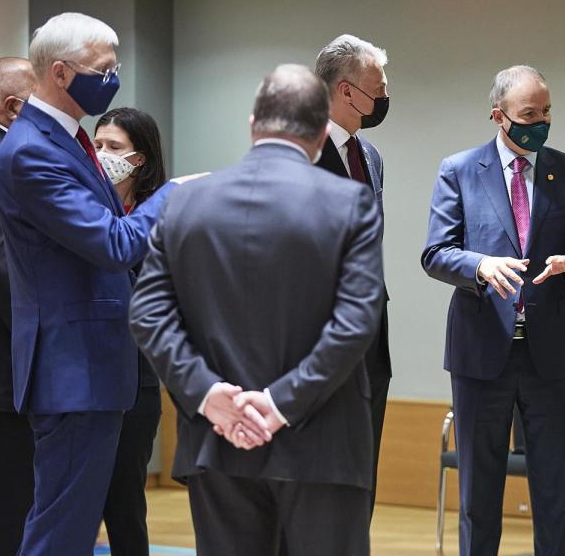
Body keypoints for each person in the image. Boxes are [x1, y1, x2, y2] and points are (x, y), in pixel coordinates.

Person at [129, 64, 384, 556]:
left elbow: (149, 314)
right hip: (323, 444)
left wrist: (208, 395)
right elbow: (356, 324)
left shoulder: (184, 204)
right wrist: (278, 403)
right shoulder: (350, 204)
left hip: (217, 441)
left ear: (252, 125)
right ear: (317, 132)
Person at [0, 13, 196, 556]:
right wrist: (175, 192)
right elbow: (113, 244)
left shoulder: (70, 137)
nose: (113, 78)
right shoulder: (32, 149)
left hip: (91, 366)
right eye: (103, 68)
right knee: (61, 529)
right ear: (60, 73)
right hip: (72, 367)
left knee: (72, 526)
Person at [422, 65, 565, 556]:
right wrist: (481, 265)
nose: (541, 121)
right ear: (498, 116)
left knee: (554, 497)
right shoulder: (459, 170)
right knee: (479, 497)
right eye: (530, 113)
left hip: (548, 358)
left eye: (547, 111)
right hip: (480, 356)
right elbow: (436, 253)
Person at [314, 33, 392, 517]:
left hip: (370, 339)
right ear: (346, 91)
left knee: (363, 477)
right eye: (377, 87)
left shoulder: (370, 156)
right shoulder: (298, 149)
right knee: (319, 480)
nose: (384, 97)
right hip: (316, 337)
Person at [93, 107, 168, 556]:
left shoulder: (161, 215)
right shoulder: (83, 207)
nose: (102, 154)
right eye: (97, 145)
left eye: (114, 147)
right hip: (83, 376)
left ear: (140, 160)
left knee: (124, 505)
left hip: (136, 379)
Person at [0, 55, 36, 556]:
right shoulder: (6, 160)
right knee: (12, 515)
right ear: (12, 107)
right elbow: (5, 265)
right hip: (7, 369)